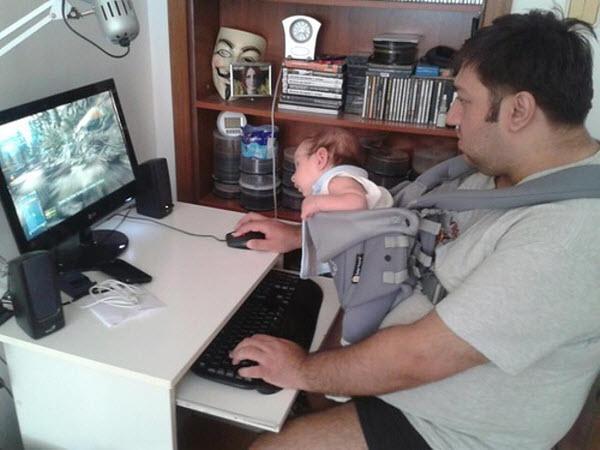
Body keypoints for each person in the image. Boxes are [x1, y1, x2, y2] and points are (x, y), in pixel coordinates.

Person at [230, 10, 600, 450]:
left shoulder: (568, 237)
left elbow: (419, 356)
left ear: (518, 110)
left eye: (463, 100)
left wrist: (303, 369)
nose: (450, 116)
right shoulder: (501, 173)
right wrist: (300, 237)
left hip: (445, 426)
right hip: (402, 376)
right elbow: (397, 225)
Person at [292, 127, 393, 220]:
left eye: (298, 164)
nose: (293, 177)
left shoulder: (336, 180)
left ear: (321, 159)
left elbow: (357, 202)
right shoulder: (338, 185)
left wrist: (316, 203)